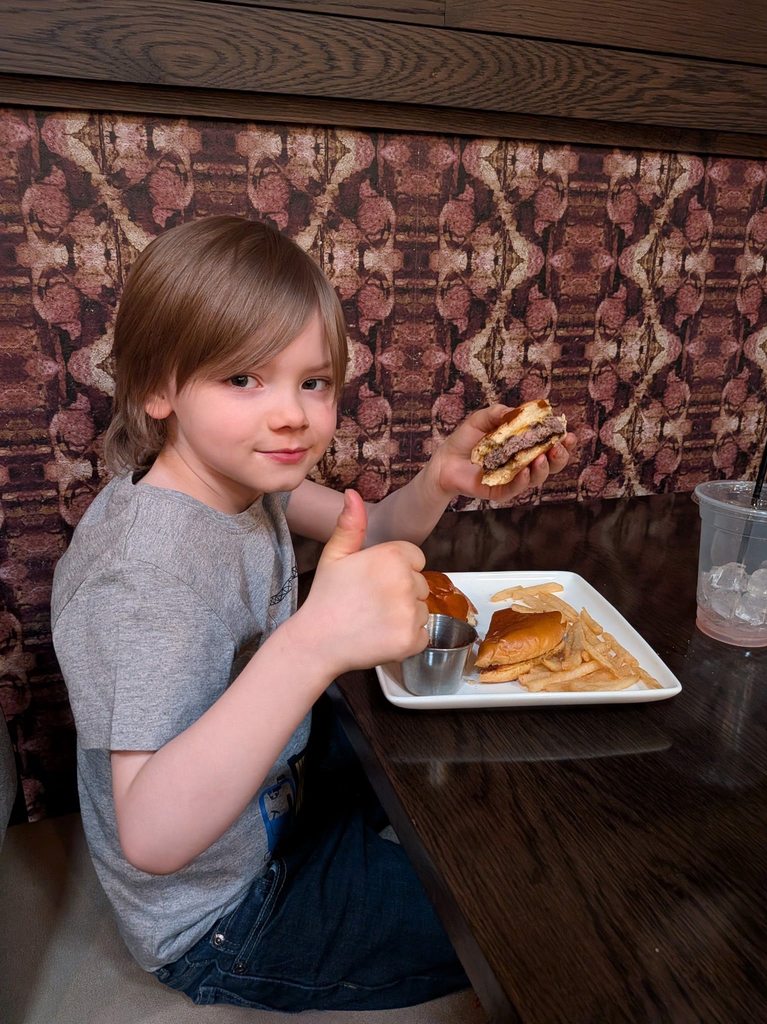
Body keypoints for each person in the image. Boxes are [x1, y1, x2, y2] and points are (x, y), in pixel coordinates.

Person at [51, 215, 574, 1012]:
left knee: (470, 751)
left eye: (314, 381)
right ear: (158, 388)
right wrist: (310, 645)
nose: (292, 414)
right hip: (227, 911)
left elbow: (373, 530)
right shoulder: (144, 577)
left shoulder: (249, 476)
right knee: (518, 919)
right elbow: (151, 837)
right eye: (243, 380)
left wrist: (440, 480)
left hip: (280, 784)